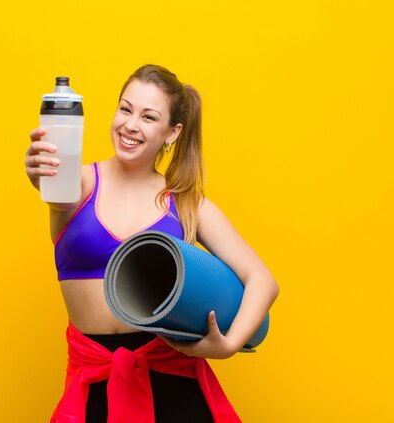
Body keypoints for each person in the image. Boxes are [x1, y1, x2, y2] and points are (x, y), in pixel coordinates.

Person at [25, 64, 279, 423]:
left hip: (172, 384)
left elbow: (263, 281)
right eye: (125, 109)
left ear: (172, 132)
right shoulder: (75, 184)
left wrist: (229, 344)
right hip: (93, 385)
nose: (130, 124)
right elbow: (52, 188)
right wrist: (39, 169)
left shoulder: (187, 204)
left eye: (148, 116)